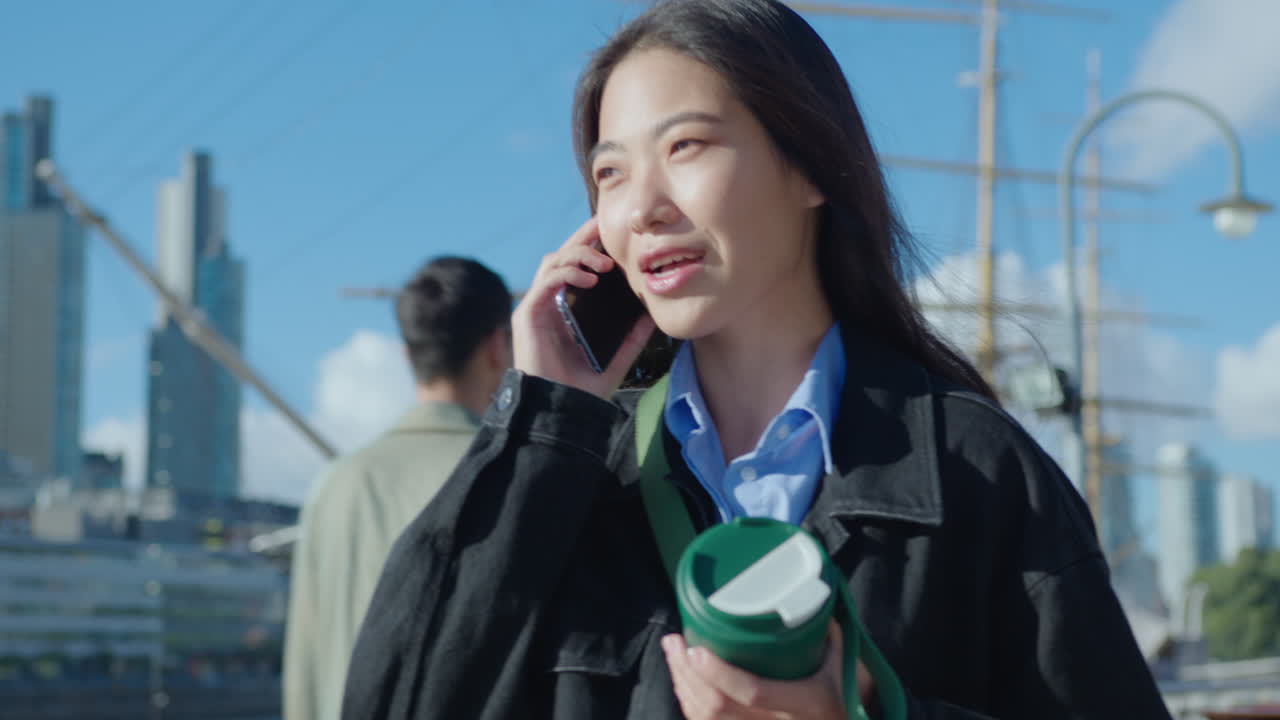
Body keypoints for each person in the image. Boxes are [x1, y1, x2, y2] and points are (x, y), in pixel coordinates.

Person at [341, 2, 1172, 718]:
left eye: (688, 146)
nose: (644, 207)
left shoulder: (981, 473)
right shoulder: (575, 482)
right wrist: (540, 420)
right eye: (610, 173)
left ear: (809, 162)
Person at [283, 256, 512, 720]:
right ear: (497, 346)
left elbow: (303, 667)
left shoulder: (334, 485)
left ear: (408, 354)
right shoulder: (510, 474)